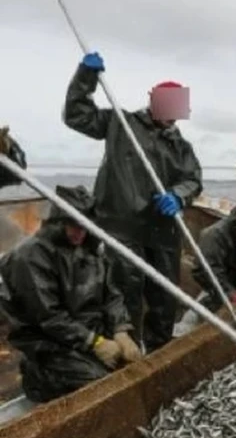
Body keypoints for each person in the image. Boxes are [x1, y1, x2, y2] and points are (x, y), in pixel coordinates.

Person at [62, 51, 203, 353]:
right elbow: (75, 115)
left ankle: (160, 352)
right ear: (152, 99)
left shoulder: (182, 147)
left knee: (165, 296)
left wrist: (178, 195)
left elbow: (194, 179)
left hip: (163, 231)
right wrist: (85, 78)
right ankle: (129, 352)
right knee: (125, 293)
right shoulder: (120, 124)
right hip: (120, 225)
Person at [0, 185, 142, 403]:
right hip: (49, 342)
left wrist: (120, 330)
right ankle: (39, 379)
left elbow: (111, 294)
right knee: (102, 385)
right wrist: (94, 342)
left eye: (84, 227)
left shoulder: (91, 249)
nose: (79, 233)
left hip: (85, 331)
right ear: (58, 221)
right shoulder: (30, 257)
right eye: (73, 225)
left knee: (132, 367)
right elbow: (49, 317)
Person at [173, 201, 236, 336]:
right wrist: (231, 294)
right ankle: (182, 330)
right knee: (214, 299)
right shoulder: (215, 235)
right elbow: (209, 270)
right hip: (209, 273)